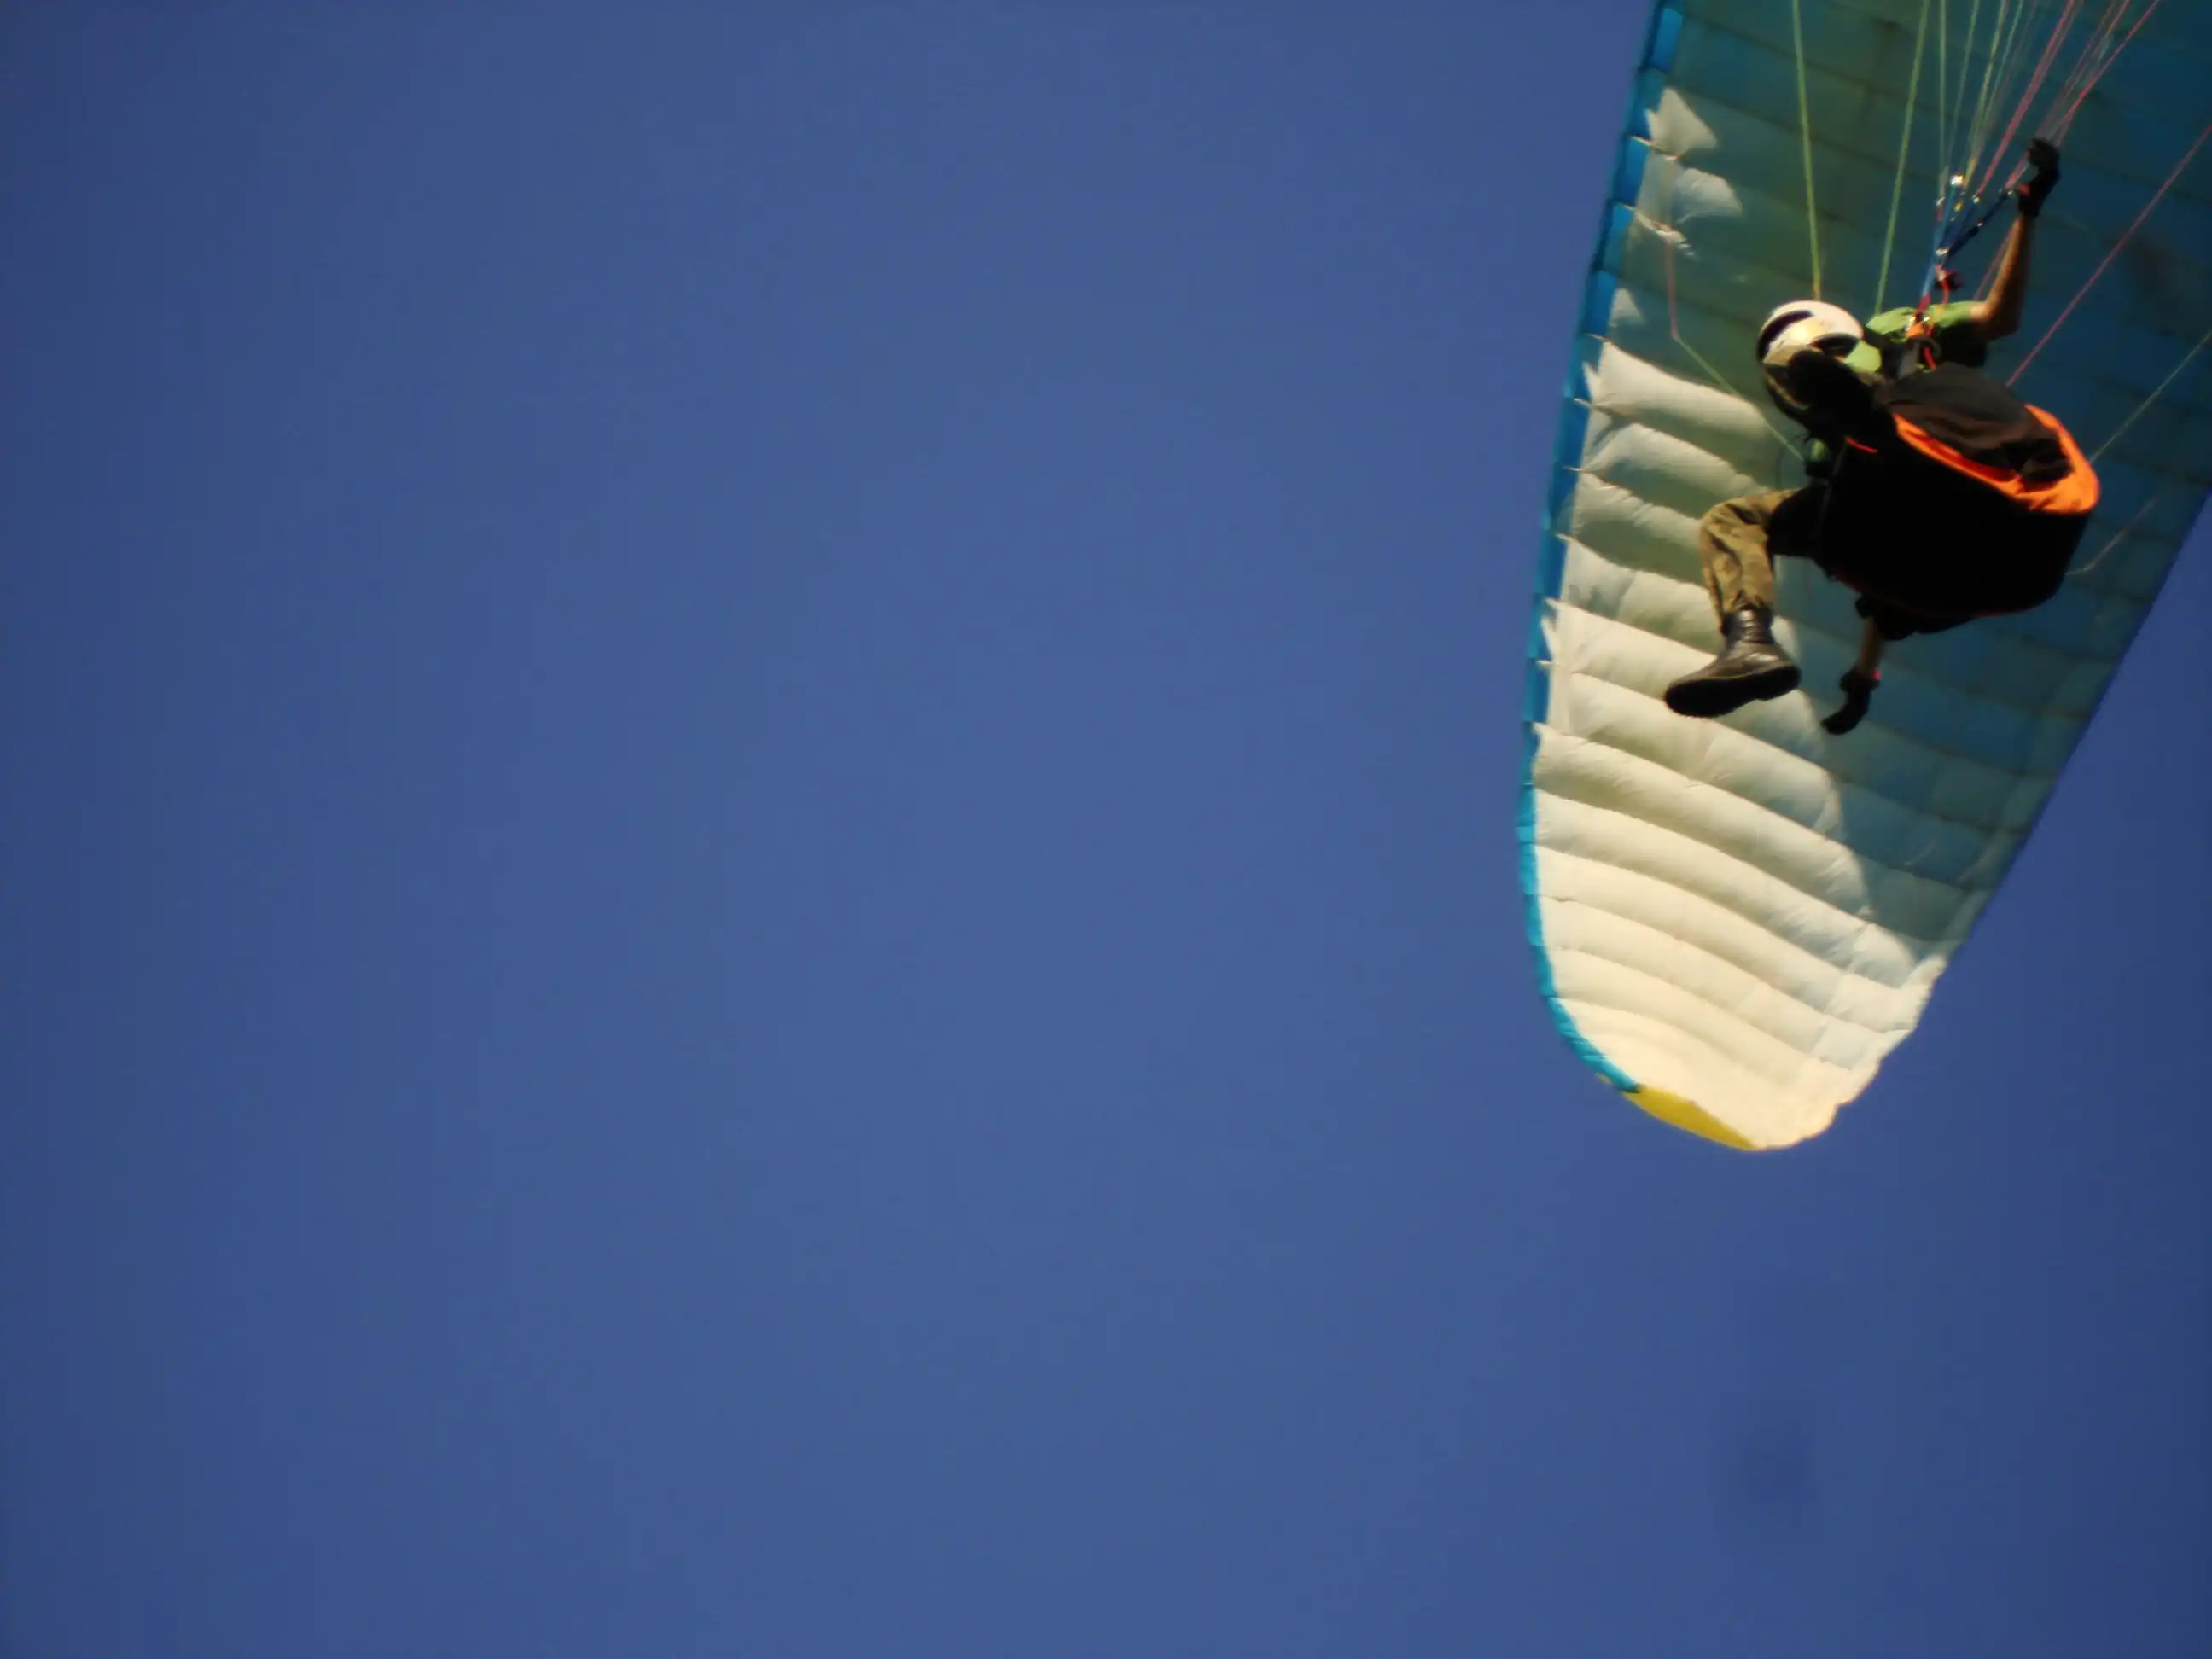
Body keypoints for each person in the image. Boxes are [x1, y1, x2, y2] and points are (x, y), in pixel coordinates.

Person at [1664, 138, 2095, 734]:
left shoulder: (1894, 330)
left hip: (1935, 465)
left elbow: (1999, 317)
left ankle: (1866, 421)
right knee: (1736, 519)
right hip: (1933, 550)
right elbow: (1888, 598)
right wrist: (1862, 682)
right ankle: (1749, 644)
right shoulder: (1843, 477)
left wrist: (2028, 211)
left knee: (1865, 437)